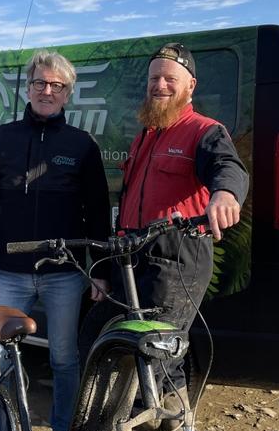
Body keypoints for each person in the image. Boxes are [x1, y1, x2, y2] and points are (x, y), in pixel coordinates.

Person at [0, 49, 111, 431]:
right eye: (40, 83)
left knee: (64, 360)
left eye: (57, 85)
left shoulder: (82, 145)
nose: (48, 91)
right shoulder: (2, 138)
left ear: (68, 93)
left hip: (64, 274)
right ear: (28, 89)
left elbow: (98, 214)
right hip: (9, 273)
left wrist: (100, 272)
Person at [80, 41, 249, 400]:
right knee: (103, 335)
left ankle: (159, 429)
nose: (160, 85)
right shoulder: (145, 136)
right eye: (154, 78)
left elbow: (227, 166)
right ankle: (131, 422)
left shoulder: (205, 131)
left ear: (190, 86)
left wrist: (226, 194)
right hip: (131, 256)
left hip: (175, 259)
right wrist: (106, 269)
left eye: (170, 78)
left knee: (155, 355)